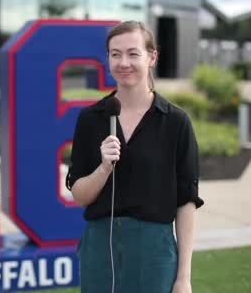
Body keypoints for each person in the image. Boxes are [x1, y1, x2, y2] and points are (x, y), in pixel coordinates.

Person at [66, 21, 204, 293]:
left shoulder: (176, 121)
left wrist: (184, 278)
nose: (123, 62)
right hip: (99, 250)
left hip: (155, 251)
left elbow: (186, 202)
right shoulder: (91, 119)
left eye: (133, 53)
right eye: (115, 54)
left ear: (152, 57)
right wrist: (104, 168)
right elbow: (80, 195)